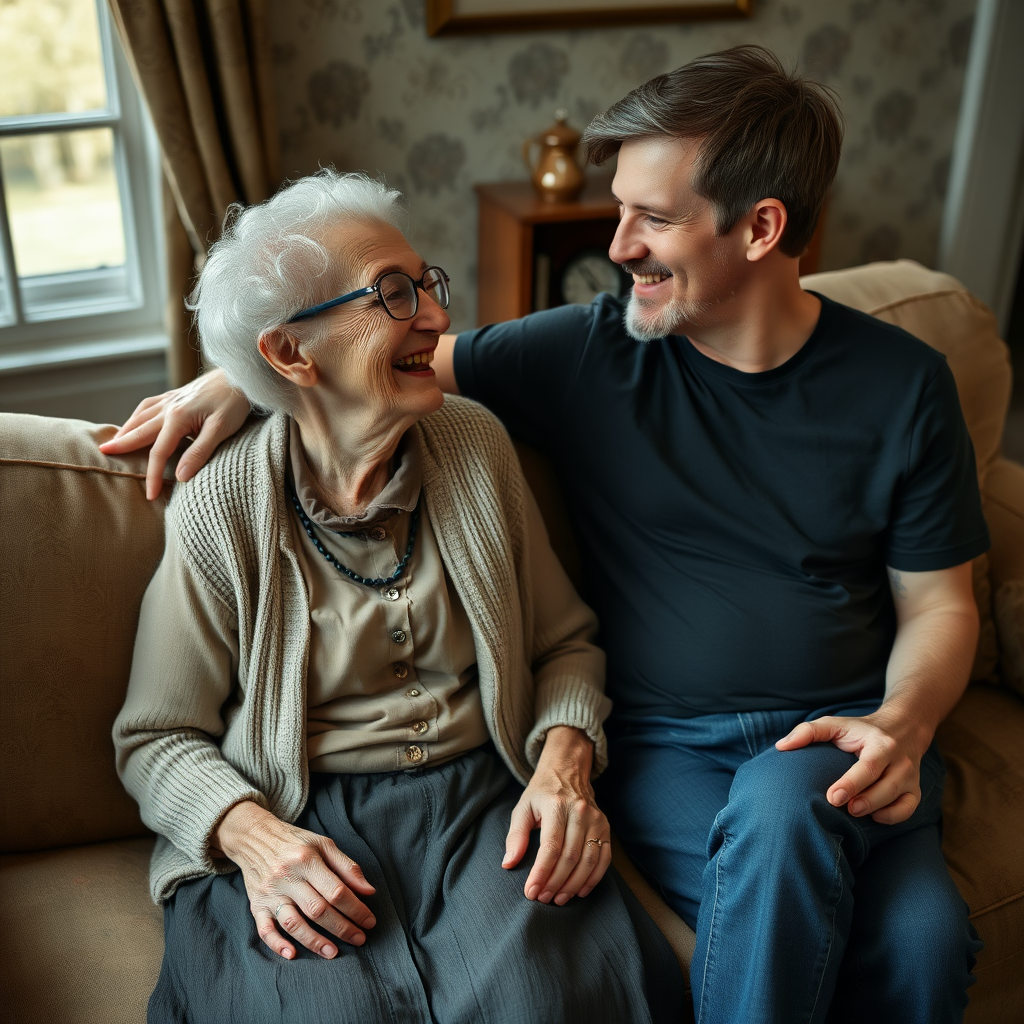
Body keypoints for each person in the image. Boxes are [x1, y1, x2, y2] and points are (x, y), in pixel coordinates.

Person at [104, 46, 988, 1024]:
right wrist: (243, 368)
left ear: (760, 227)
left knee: (924, 943)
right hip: (675, 750)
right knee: (798, 834)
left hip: (845, 727)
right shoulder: (585, 352)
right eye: (618, 210)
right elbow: (382, 362)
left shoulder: (904, 383)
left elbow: (941, 601)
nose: (617, 245)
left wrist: (902, 726)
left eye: (651, 218)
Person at [111, 169, 681, 1024]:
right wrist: (253, 839)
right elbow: (155, 736)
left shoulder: (474, 446)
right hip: (302, 817)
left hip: (485, 807)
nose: (439, 316)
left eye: (426, 283)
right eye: (392, 293)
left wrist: (564, 765)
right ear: (290, 352)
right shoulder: (222, 504)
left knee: (549, 1002)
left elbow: (564, 646)